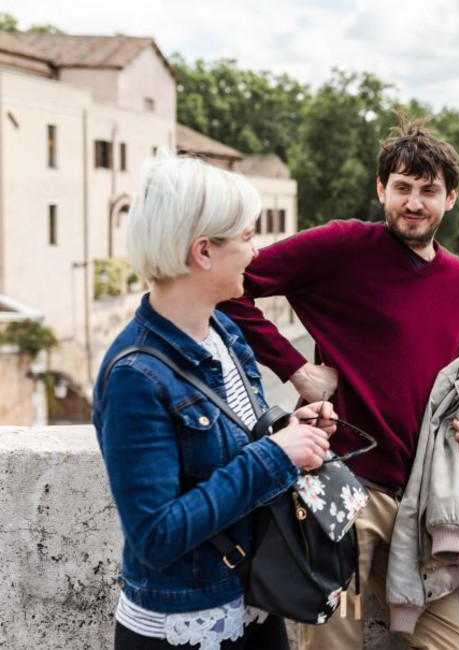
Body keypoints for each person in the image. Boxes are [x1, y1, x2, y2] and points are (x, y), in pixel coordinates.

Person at [218, 116, 459, 650]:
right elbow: (229, 287)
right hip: (340, 495)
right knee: (334, 644)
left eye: (428, 190)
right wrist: (294, 366)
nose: (414, 202)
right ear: (381, 189)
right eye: (402, 188)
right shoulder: (342, 246)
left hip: (419, 500)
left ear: (451, 198)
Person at [92, 154, 337, 650]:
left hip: (252, 601)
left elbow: (231, 445)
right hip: (185, 624)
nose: (255, 250)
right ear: (203, 252)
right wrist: (276, 455)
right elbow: (155, 536)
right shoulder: (134, 377)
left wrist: (292, 428)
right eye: (247, 236)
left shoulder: (222, 330)